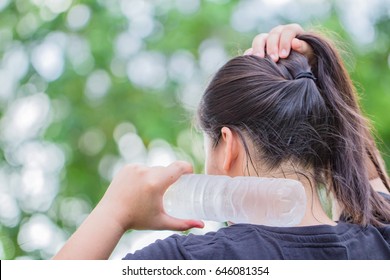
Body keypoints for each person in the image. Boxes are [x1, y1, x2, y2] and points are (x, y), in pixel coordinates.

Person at [53, 24, 390, 260]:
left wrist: (115, 212)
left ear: (227, 146)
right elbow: (364, 175)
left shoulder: (188, 262)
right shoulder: (380, 240)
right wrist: (320, 74)